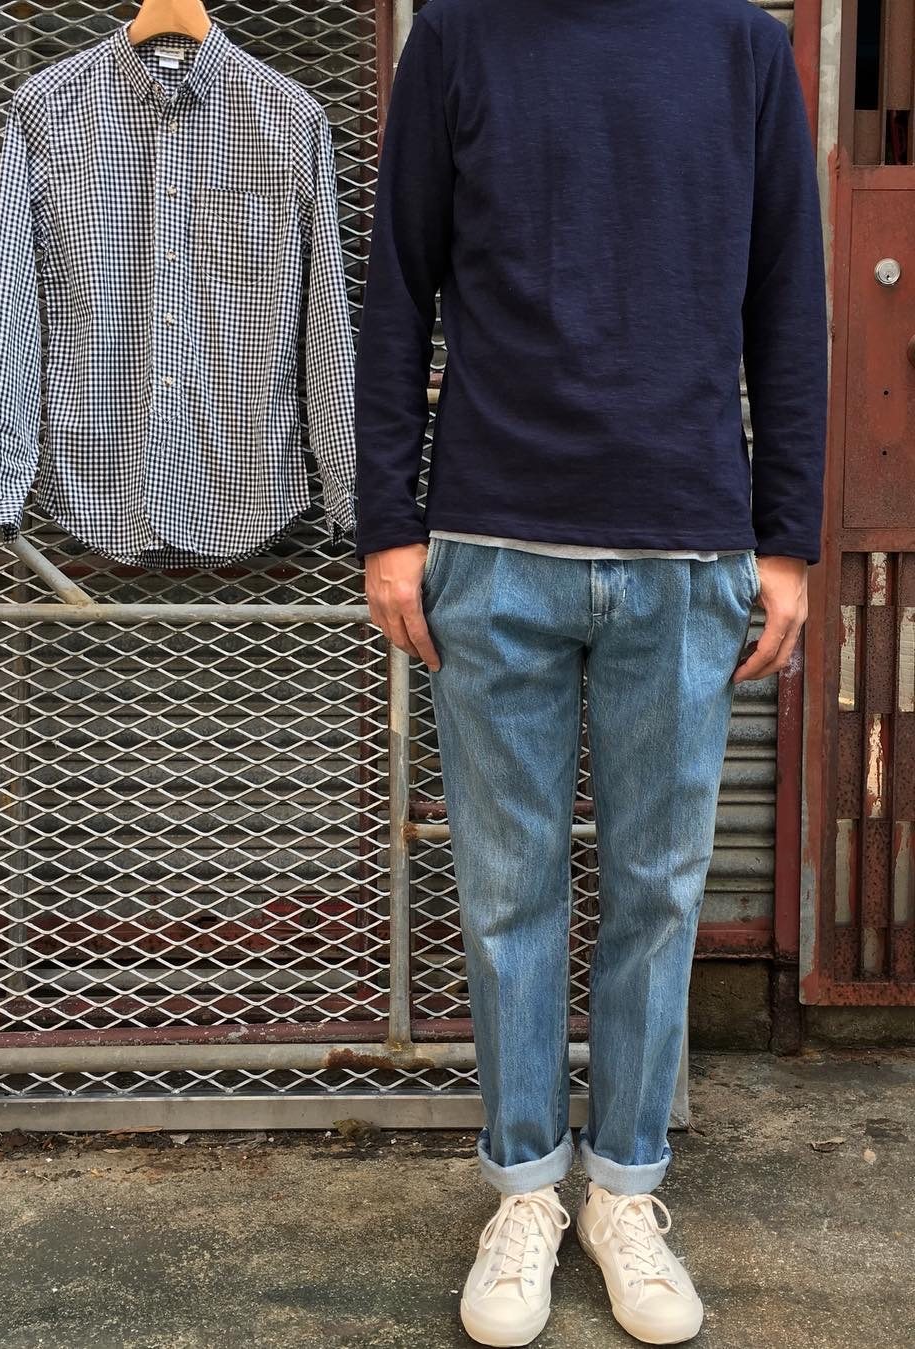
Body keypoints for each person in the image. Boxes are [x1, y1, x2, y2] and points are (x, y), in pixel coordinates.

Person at [353, 0, 827, 1344]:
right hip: (493, 546)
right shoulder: (458, 38)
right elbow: (398, 287)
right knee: (508, 890)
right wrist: (389, 523)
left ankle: (624, 1188)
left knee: (658, 890)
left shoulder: (743, 48)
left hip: (684, 548)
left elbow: (789, 299)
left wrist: (786, 537)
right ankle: (524, 1192)